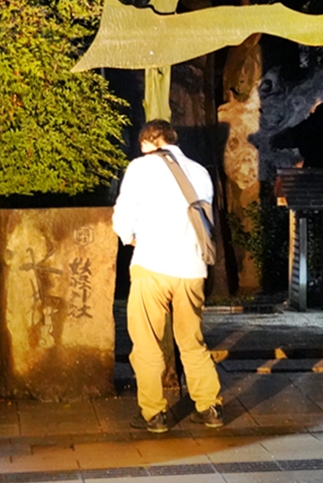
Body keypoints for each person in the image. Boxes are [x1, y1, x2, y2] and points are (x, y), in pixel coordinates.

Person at [112, 120, 223, 433]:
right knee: (192, 340)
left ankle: (154, 414)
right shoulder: (200, 172)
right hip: (193, 269)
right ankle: (210, 406)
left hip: (153, 265)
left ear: (148, 141)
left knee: (147, 342)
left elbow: (122, 217)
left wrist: (131, 238)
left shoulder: (141, 167)